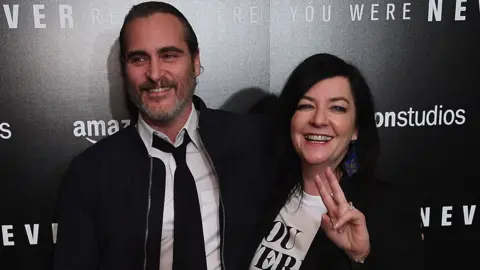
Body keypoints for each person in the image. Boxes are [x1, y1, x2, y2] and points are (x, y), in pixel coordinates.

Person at [53, 2, 274, 270]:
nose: (155, 74)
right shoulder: (89, 173)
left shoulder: (253, 142)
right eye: (139, 59)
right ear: (124, 70)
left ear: (195, 61)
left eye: (169, 55)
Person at [244, 53, 423, 269]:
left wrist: (360, 255)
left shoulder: (391, 208)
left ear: (356, 129)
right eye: (305, 106)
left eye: (337, 108)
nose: (319, 120)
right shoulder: (262, 193)